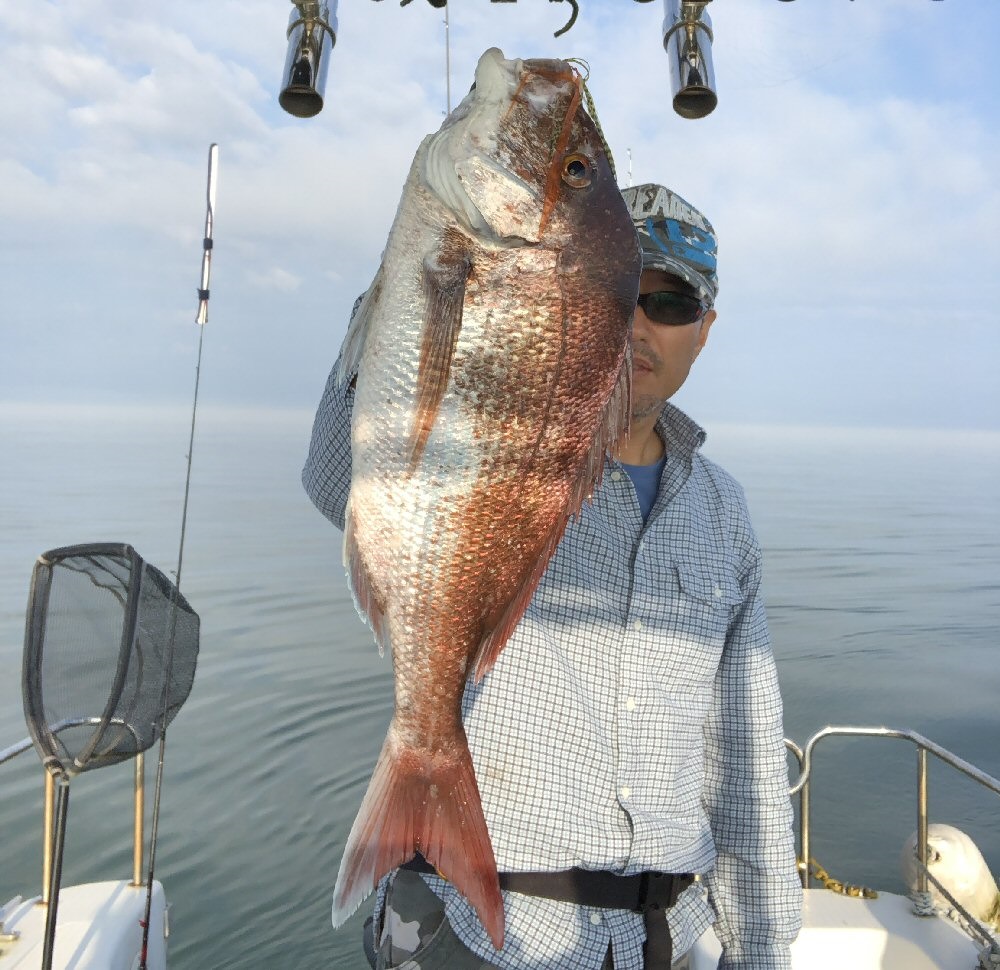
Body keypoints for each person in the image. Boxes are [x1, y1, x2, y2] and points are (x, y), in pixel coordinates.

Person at [302, 183, 803, 969]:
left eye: (671, 303)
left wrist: (761, 950)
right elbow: (338, 478)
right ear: (573, 304)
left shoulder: (723, 510)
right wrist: (420, 268)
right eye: (616, 292)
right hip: (479, 932)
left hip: (663, 940)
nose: (638, 322)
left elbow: (746, 758)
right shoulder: (492, 446)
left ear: (704, 331)